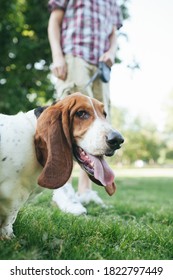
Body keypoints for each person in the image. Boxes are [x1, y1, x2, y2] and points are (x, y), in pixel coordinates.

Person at [48, 0, 122, 215]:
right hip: (74, 56)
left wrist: (111, 52)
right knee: (69, 122)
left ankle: (85, 190)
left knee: (99, 128)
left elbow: (112, 34)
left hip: (101, 65)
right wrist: (57, 56)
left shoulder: (112, 2)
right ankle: (62, 189)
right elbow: (55, 20)